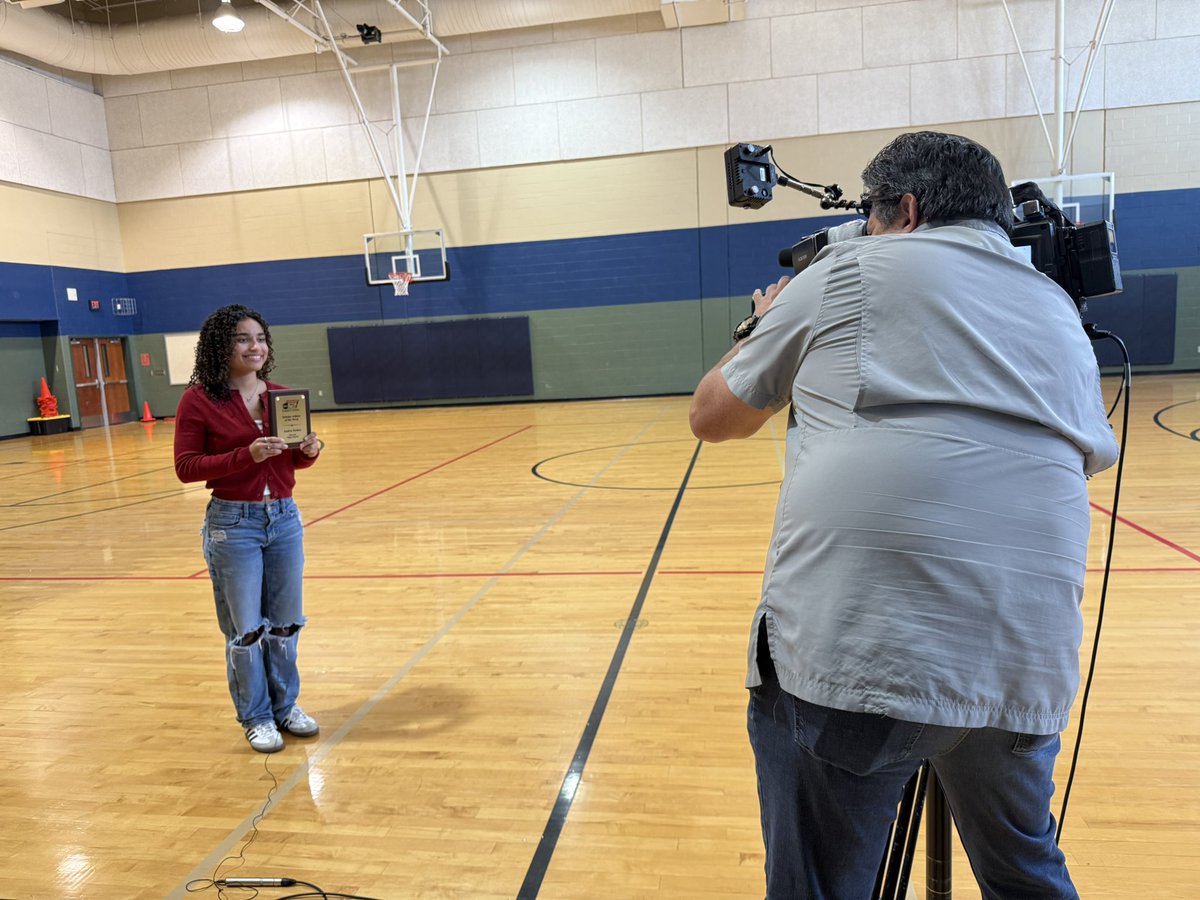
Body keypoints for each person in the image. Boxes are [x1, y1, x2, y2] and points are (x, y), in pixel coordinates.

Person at [690, 132, 1119, 899]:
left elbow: (714, 416)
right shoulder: (1057, 309)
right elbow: (1082, 455)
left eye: (873, 219)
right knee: (1027, 874)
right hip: (1023, 671)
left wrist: (765, 320)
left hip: (864, 663)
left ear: (907, 209)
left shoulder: (845, 270)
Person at [174, 304, 321, 753]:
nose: (254, 346)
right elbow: (186, 468)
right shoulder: (199, 400)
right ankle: (256, 717)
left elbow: (290, 457)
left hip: (284, 519)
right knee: (246, 630)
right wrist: (246, 455)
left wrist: (309, 450)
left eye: (260, 338)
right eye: (243, 338)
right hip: (232, 524)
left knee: (285, 624)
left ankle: (284, 707)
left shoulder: (280, 396)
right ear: (222, 346)